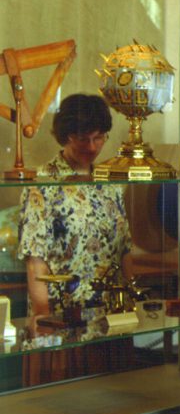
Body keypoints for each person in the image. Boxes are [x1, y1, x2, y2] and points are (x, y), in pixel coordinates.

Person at [18, 93, 135, 381]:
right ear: (66, 135)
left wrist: (132, 302)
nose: (92, 147)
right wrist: (44, 318)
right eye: (83, 139)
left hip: (110, 316)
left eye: (99, 138)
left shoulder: (109, 181)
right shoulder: (44, 183)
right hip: (64, 319)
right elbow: (36, 260)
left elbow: (124, 249)